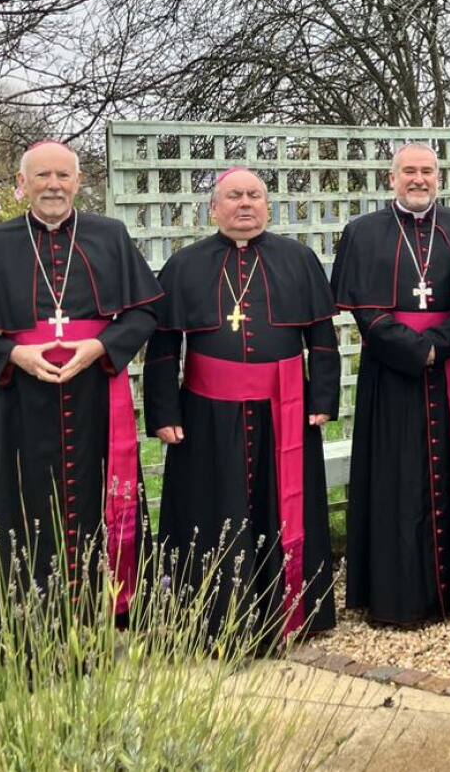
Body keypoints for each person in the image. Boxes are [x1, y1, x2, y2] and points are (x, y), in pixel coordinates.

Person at [0, 141, 160, 652]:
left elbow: (143, 314)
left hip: (95, 397)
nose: (54, 185)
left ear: (79, 181)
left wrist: (100, 346)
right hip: (20, 402)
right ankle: (25, 627)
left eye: (64, 175)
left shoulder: (108, 236)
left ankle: (106, 619)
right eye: (42, 175)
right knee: (21, 507)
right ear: (22, 184)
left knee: (99, 503)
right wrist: (15, 355)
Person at [144, 167, 339, 643]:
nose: (245, 204)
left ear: (268, 207)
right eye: (234, 196)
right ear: (214, 209)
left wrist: (323, 398)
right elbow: (165, 346)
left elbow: (322, 339)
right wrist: (165, 413)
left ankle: (292, 609)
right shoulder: (185, 265)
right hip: (207, 410)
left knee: (284, 505)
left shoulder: (299, 259)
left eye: (255, 195)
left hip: (285, 407)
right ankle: (208, 613)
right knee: (211, 507)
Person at [331, 142, 450, 626]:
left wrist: (443, 343)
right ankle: (400, 598)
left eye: (428, 172)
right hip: (391, 376)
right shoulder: (363, 232)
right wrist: (420, 351)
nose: (419, 179)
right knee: (396, 478)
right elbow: (364, 310)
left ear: (440, 178)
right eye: (409, 172)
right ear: (391, 178)